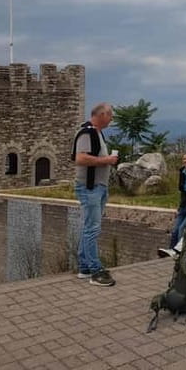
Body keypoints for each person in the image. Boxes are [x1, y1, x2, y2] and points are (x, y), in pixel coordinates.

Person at [72, 102, 118, 287]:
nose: (111, 118)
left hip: (96, 187)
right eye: (110, 115)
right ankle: (95, 270)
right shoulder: (87, 132)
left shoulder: (96, 133)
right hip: (90, 188)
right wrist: (107, 160)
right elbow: (80, 158)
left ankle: (84, 267)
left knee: (89, 227)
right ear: (102, 115)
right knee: (92, 228)